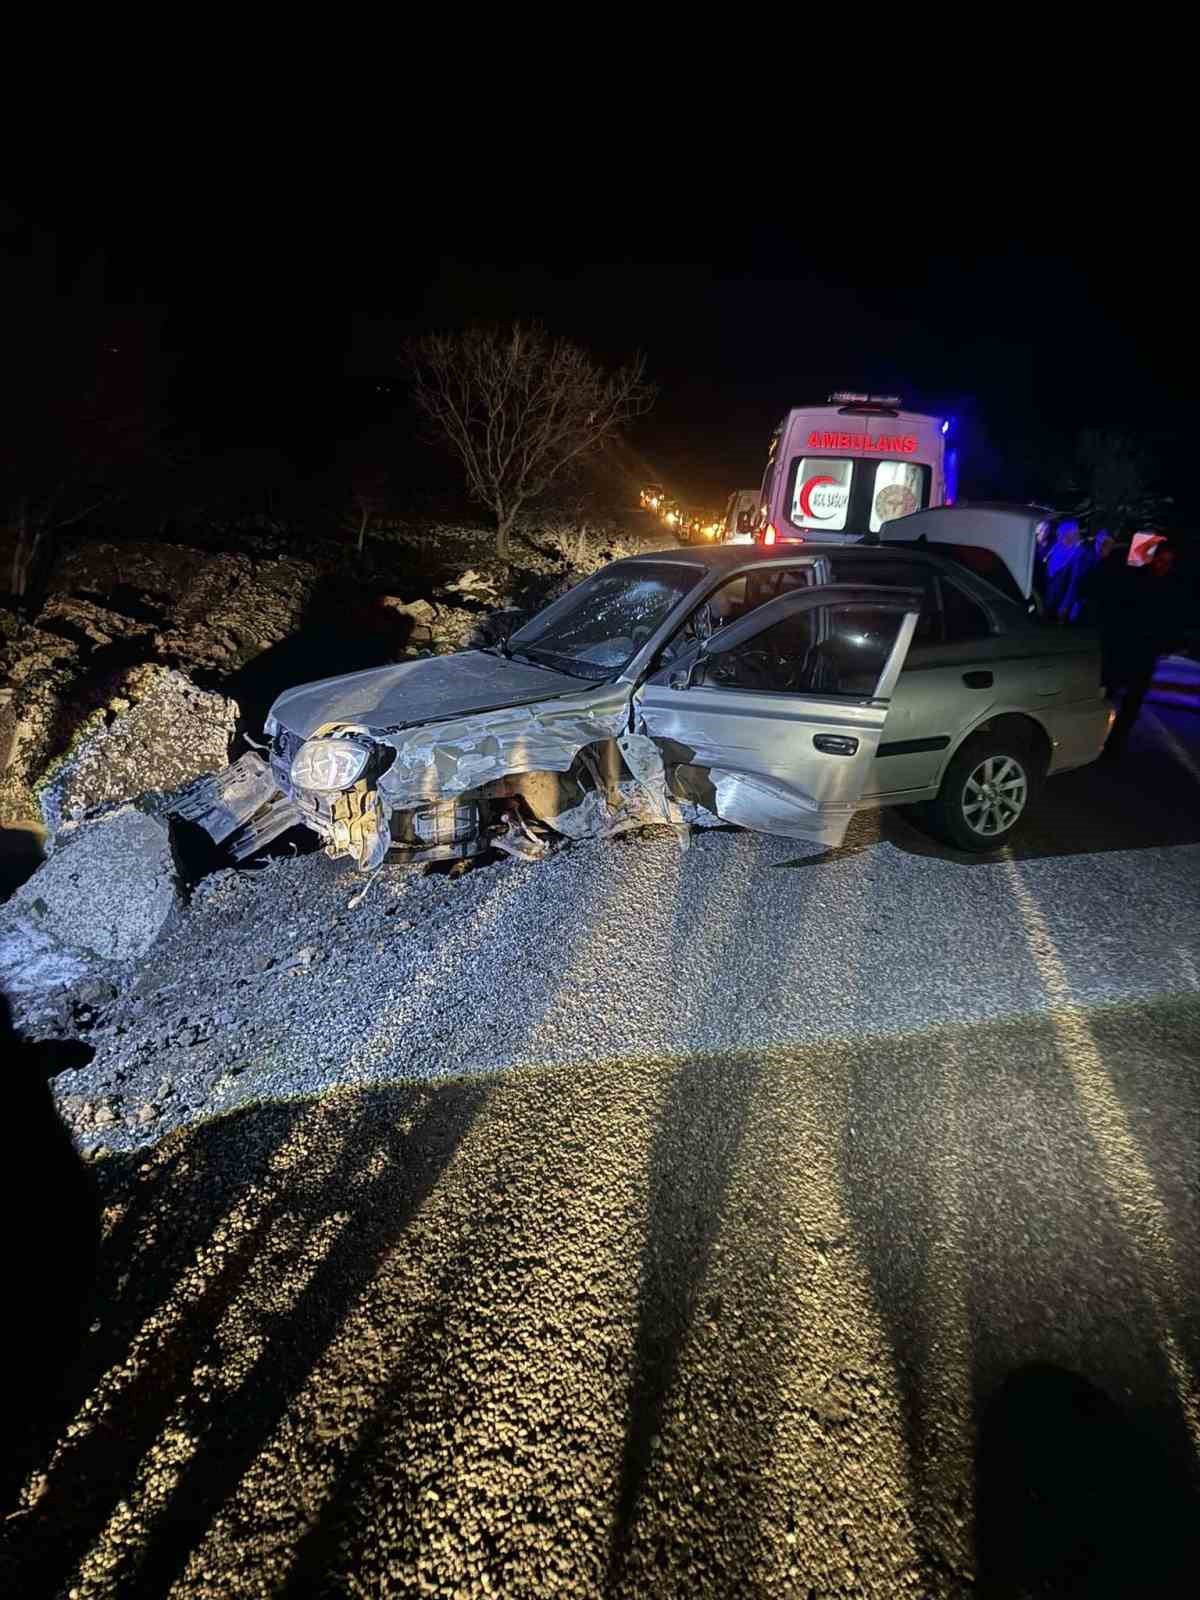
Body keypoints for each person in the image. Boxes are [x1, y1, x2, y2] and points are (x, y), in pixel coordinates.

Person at [1102, 542, 1187, 756]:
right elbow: (1120, 607)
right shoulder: (1137, 578)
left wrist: (1167, 644)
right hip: (1124, 646)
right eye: (1160, 560)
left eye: (1168, 562)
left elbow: (1172, 620)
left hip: (1146, 652)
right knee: (1109, 692)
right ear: (1153, 558)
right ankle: (1100, 736)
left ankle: (1115, 743)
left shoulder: (1172, 588)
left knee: (1132, 701)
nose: (1162, 566)